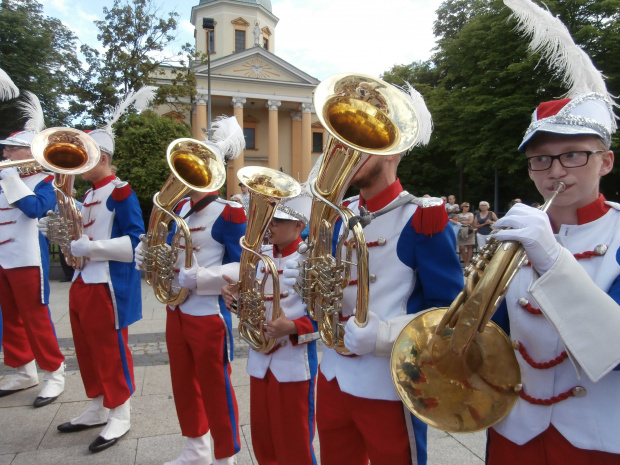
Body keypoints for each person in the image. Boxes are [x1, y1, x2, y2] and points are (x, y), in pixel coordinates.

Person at [284, 84, 463, 465]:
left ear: (393, 150)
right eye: (343, 140)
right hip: (332, 375)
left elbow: (450, 316)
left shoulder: (421, 218)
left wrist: (383, 336)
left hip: (387, 384)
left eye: (363, 143)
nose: (347, 152)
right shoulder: (338, 216)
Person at [486, 1, 620, 463]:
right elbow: (494, 336)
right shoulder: (519, 235)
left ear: (605, 161)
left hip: (597, 440)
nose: (555, 170)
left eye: (573, 155)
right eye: (541, 159)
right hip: (513, 431)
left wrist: (549, 257)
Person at [39, 89, 153, 453]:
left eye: (86, 158)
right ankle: (97, 405)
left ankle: (120, 411)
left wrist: (93, 247)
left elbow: (136, 242)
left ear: (102, 158)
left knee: (110, 349)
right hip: (82, 282)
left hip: (106, 286)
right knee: (87, 350)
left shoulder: (121, 192)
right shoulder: (87, 195)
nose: (78, 164)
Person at [136, 116, 246, 465]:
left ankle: (224, 456)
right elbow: (168, 252)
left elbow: (245, 266)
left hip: (207, 314)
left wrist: (202, 279)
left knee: (216, 389)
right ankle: (196, 450)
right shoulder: (178, 209)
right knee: (182, 383)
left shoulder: (228, 212)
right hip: (176, 311)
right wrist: (146, 256)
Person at [222, 193, 318, 465]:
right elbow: (251, 305)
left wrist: (292, 327)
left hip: (293, 365)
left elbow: (325, 326)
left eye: (278, 221)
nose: (270, 226)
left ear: (299, 225)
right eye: (270, 220)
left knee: (294, 442)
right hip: (260, 362)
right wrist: (235, 300)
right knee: (263, 439)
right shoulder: (258, 257)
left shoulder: (311, 261)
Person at [0, 92, 66, 408]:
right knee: (8, 316)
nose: (6, 152)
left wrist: (11, 178)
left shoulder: (46, 180)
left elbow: (34, 210)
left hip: (27, 258)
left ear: (28, 152)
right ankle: (23, 370)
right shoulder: (5, 177)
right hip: (2, 259)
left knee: (35, 317)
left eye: (11, 148)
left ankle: (55, 372)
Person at [456, 202, 475, 266]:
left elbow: (470, 221)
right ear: (462, 207)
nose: (467, 208)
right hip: (461, 231)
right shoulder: (459, 214)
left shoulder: (470, 214)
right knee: (462, 247)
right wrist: (464, 222)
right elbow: (456, 221)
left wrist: (462, 221)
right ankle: (465, 260)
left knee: (469, 246)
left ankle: (467, 262)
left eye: (468, 206)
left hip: (468, 230)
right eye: (466, 206)